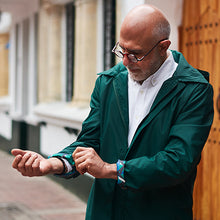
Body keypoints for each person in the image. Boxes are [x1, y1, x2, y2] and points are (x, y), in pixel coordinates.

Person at [11, 4, 214, 220]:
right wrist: (51, 164)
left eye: (135, 54)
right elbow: (90, 141)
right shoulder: (108, 82)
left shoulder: (193, 90)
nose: (125, 61)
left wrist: (111, 170)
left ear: (163, 47)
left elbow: (178, 161)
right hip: (104, 212)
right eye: (121, 50)